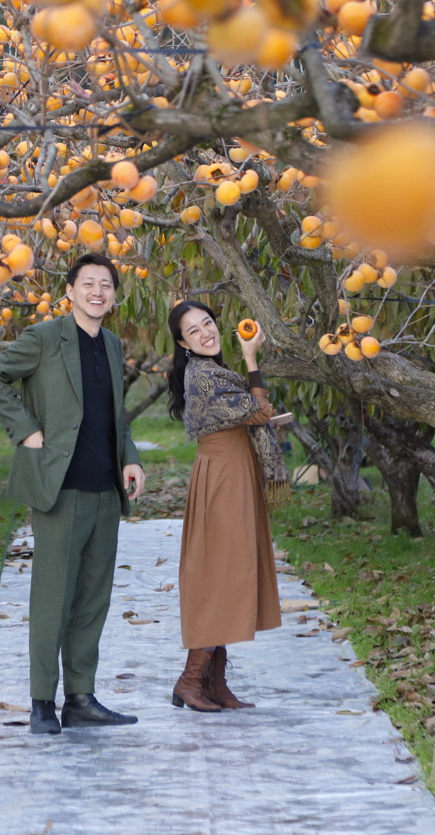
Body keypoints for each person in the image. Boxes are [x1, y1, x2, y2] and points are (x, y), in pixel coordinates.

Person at [0, 252, 147, 735]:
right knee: (53, 598)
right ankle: (41, 704)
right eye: (88, 283)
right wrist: (25, 429)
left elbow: (117, 415)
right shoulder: (44, 338)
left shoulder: (112, 345)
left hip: (104, 488)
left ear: (114, 296)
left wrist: (130, 456)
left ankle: (80, 697)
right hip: (60, 486)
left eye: (107, 285)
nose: (98, 292)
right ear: (69, 291)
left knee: (93, 599)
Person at [166, 300, 287, 712]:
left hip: (233, 471)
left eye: (208, 323)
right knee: (221, 575)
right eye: (194, 331)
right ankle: (189, 680)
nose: (206, 333)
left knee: (229, 571)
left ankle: (214, 683)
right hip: (222, 477)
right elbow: (259, 411)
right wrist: (252, 360)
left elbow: (252, 414)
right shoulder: (202, 377)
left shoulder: (215, 372)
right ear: (183, 342)